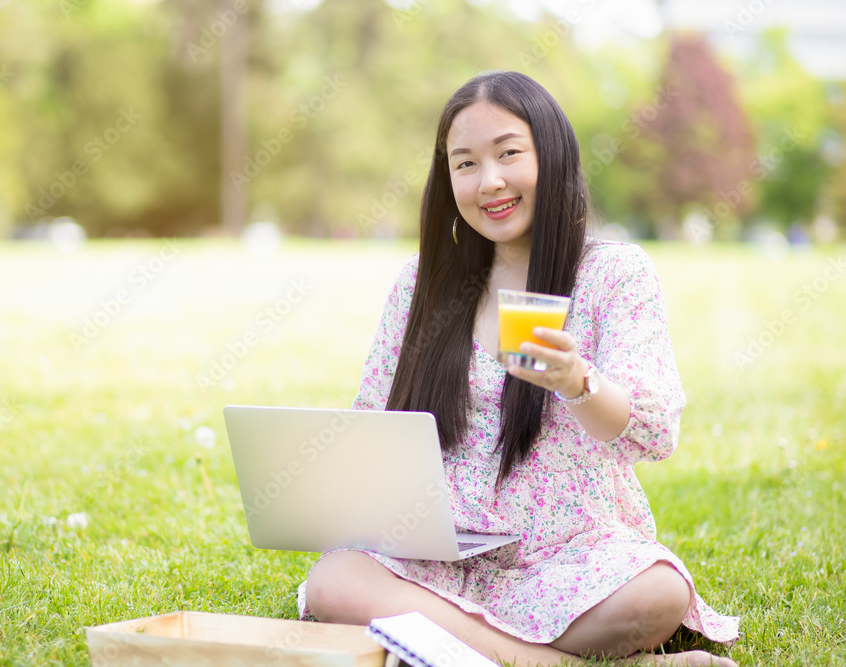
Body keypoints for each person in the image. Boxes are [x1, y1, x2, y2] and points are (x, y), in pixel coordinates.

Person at [297, 71, 740, 666]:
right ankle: (553, 662)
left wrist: (577, 382)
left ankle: (446, 646)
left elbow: (653, 431)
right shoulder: (423, 284)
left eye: (509, 154)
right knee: (335, 582)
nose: (490, 181)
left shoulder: (613, 276)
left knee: (659, 592)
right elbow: (374, 422)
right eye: (465, 164)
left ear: (551, 157)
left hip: (567, 558)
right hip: (435, 558)